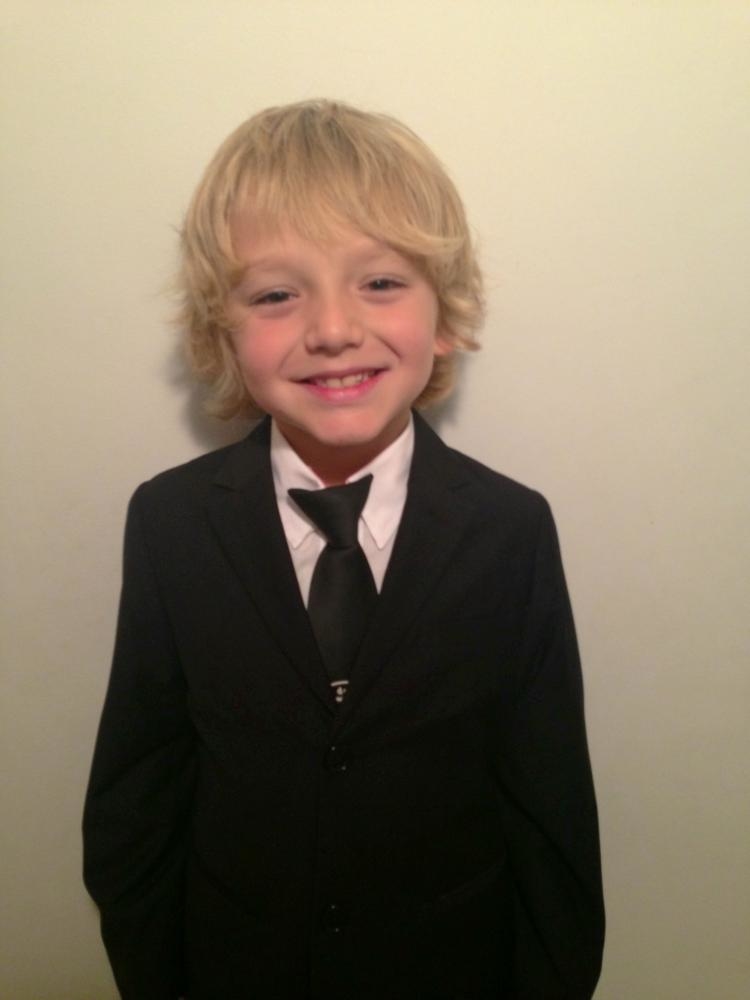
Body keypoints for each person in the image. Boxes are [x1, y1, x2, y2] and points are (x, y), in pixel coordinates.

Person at [83, 99, 604, 1000]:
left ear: (445, 315)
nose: (331, 329)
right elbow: (139, 793)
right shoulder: (169, 523)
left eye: (381, 282)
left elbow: (549, 807)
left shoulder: (511, 529)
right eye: (276, 294)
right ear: (220, 329)